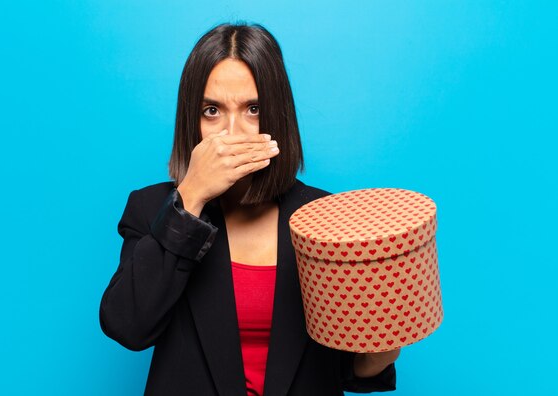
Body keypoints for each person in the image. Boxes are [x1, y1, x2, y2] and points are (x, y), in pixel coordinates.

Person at [99, 22, 400, 395]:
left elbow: (343, 368)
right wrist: (189, 197)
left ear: (277, 114)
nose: (233, 132)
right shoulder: (151, 208)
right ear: (191, 121)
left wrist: (379, 355)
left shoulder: (324, 217)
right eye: (212, 110)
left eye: (252, 109)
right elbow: (127, 326)